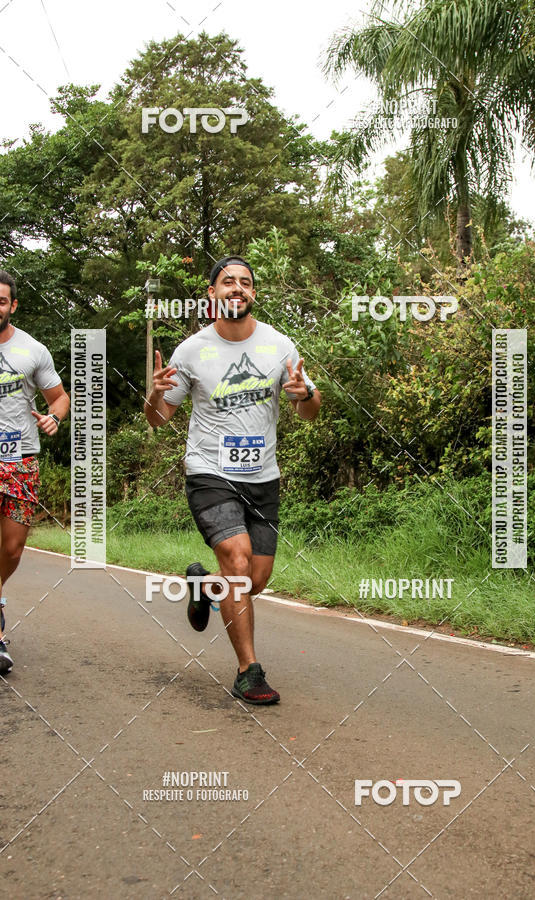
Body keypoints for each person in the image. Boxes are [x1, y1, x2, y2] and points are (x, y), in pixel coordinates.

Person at [145, 256, 321, 704]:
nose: (236, 288)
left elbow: (308, 410)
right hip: (210, 473)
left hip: (263, 478)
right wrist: (154, 395)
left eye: (245, 282)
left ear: (254, 294)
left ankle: (205, 585)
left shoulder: (279, 346)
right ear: (212, 293)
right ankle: (249, 671)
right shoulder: (191, 351)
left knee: (254, 579)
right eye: (227, 282)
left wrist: (309, 395)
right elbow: (159, 420)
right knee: (238, 562)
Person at [0, 271, 70, 674]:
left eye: (2, 300)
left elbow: (59, 398)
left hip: (22, 458)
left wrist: (54, 419)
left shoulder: (32, 350)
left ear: (13, 306)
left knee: (11, 549)